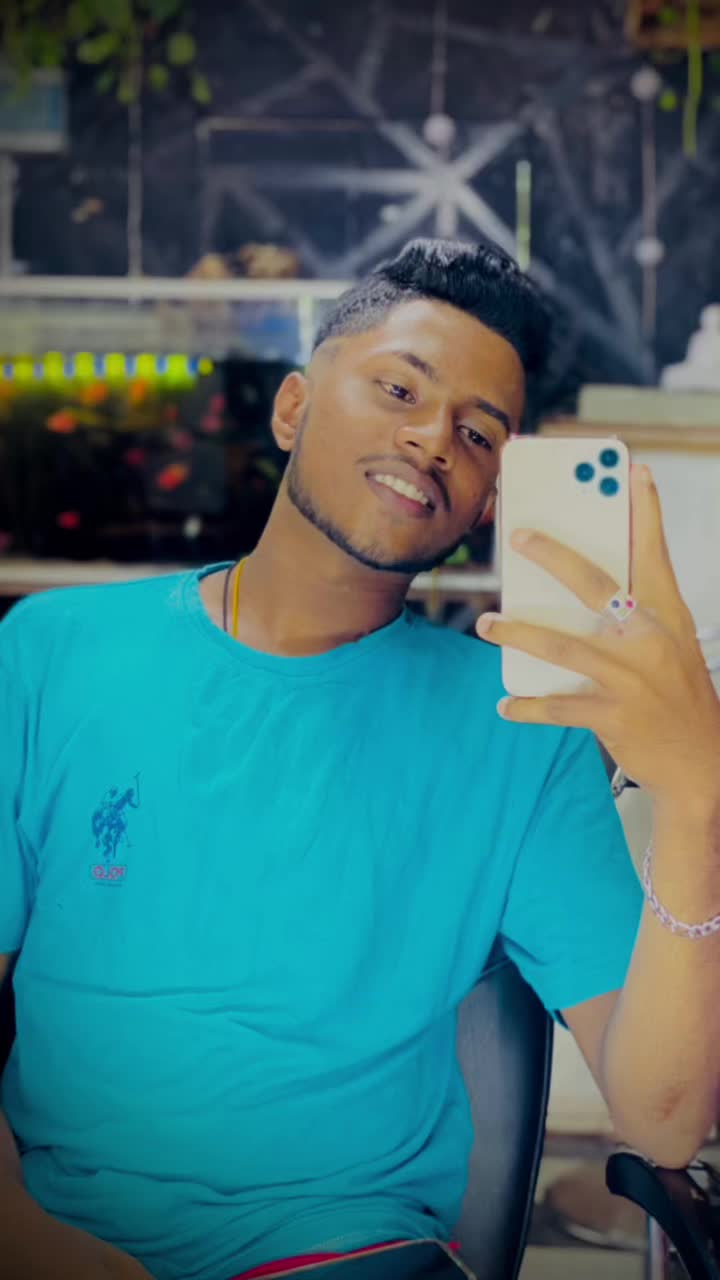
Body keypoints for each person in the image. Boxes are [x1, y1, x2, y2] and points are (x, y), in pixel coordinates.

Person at [1, 238, 719, 1280]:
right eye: (399, 389)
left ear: (489, 499)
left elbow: (665, 1121)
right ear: (293, 407)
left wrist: (697, 797)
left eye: (478, 432)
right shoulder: (49, 654)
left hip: (351, 1254)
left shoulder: (523, 727)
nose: (432, 438)